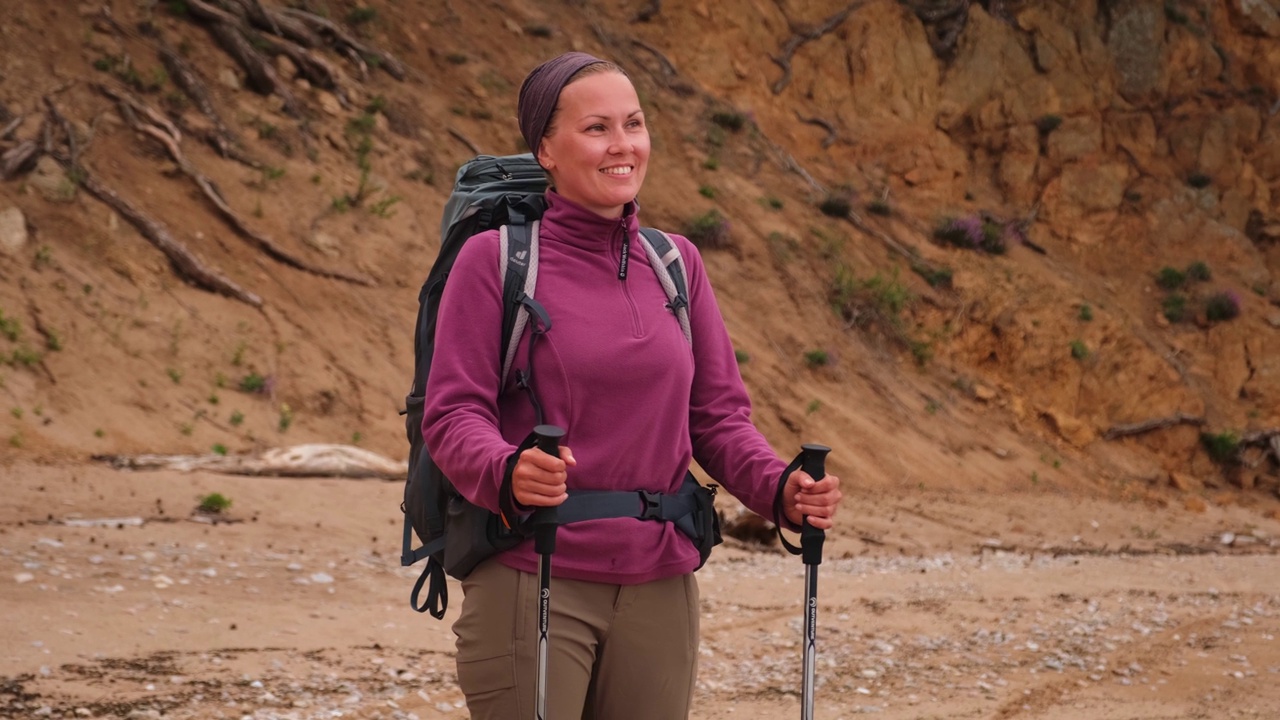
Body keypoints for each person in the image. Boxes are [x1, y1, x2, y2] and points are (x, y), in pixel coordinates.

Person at [421, 51, 843, 720]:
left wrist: (778, 489)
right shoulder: (496, 261)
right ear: (546, 150)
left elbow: (718, 419)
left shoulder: (677, 264)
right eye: (597, 129)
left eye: (635, 123)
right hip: (535, 573)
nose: (623, 146)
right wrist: (507, 471)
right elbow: (452, 413)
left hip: (662, 584)